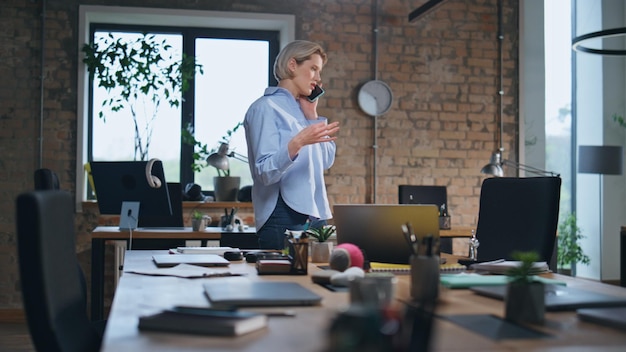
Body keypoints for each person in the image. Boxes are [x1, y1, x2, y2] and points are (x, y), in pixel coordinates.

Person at [244, 40, 340, 250]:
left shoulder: (304, 112)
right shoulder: (264, 108)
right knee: (282, 282)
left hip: (315, 215)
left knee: (314, 281)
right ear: (292, 65)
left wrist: (313, 116)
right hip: (281, 215)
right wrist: (297, 142)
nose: (318, 78)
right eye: (313, 68)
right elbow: (264, 172)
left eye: (319, 71)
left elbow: (325, 162)